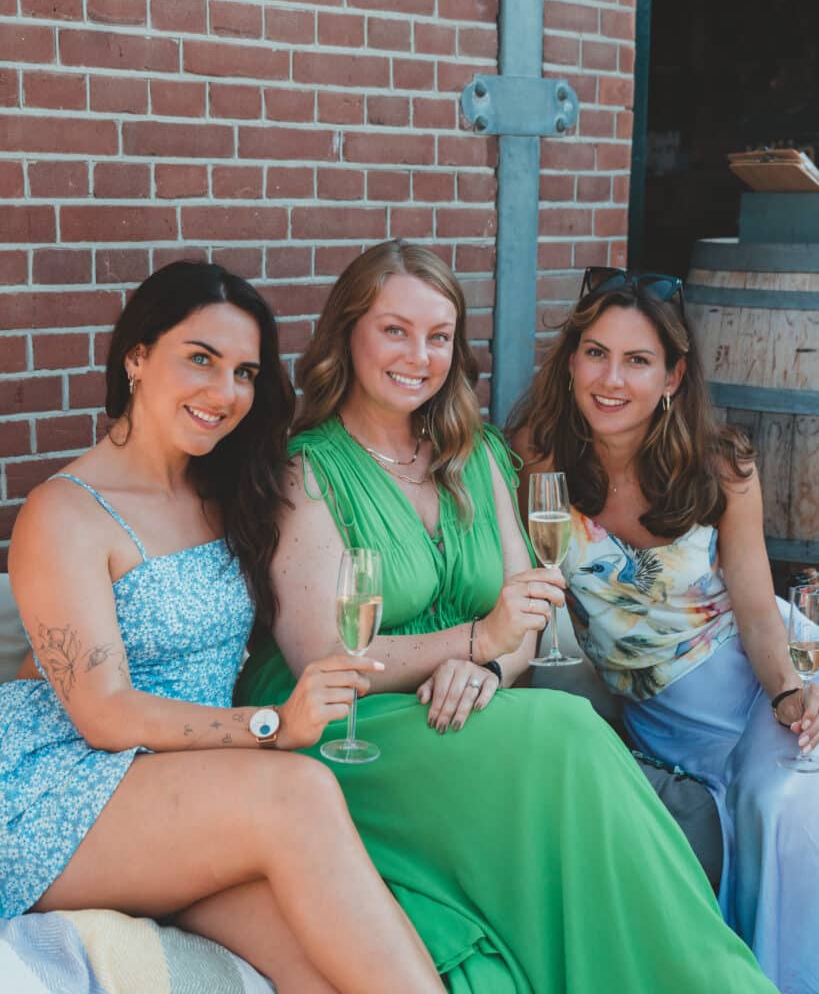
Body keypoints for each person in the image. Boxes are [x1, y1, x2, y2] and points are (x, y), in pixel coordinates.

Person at [236, 240, 778, 994]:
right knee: (566, 729)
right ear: (347, 335)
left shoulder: (478, 454)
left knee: (568, 746)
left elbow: (524, 614)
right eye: (394, 330)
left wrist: (488, 665)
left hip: (458, 706)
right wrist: (472, 639)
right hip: (349, 729)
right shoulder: (307, 470)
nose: (418, 356)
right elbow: (322, 656)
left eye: (439, 336)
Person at [1, 260, 444, 994]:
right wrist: (272, 725)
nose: (224, 392)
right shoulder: (66, 511)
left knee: (325, 974)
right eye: (200, 359)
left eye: (244, 373)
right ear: (136, 357)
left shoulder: (226, 489)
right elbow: (104, 714)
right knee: (297, 791)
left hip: (187, 788)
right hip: (63, 792)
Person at [509, 265, 819, 994]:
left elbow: (755, 606)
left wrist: (789, 692)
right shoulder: (534, 459)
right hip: (666, 720)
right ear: (571, 361)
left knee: (782, 807)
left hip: (758, 681)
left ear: (672, 377)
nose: (611, 379)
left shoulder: (721, 466)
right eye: (595, 352)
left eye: (637, 360)